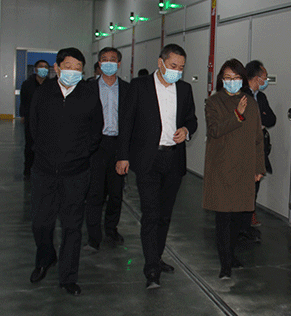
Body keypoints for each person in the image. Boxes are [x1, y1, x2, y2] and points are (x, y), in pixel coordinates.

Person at [116, 44, 198, 289]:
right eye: (173, 66)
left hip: (173, 159)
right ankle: (151, 269)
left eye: (181, 67)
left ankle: (157, 256)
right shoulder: (139, 86)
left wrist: (186, 130)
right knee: (151, 214)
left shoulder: (184, 89)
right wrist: (122, 156)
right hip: (147, 159)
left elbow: (192, 119)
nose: (177, 71)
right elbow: (126, 122)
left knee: (164, 215)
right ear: (160, 63)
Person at [28, 47, 103, 295]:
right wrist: (44, 153)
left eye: (78, 68)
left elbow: (96, 130)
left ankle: (68, 276)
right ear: (57, 68)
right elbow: (33, 127)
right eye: (68, 66)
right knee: (41, 222)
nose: (72, 71)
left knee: (72, 226)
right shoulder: (43, 93)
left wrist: (81, 154)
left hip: (76, 172)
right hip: (44, 170)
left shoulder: (89, 94)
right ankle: (45, 257)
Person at [203, 59, 265, 279]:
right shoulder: (213, 102)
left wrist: (259, 167)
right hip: (221, 168)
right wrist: (237, 115)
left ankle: (230, 255)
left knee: (239, 218)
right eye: (228, 77)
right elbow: (215, 130)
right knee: (223, 219)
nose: (232, 81)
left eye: (236, 77)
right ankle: (225, 264)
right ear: (221, 79)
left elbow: (258, 138)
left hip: (244, 168)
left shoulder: (252, 103)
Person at [84, 47, 129, 252]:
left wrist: (126, 152)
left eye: (113, 59)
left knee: (116, 193)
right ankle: (94, 237)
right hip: (96, 146)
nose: (108, 62)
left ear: (118, 63)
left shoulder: (128, 89)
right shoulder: (88, 88)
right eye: (104, 59)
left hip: (118, 145)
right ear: (99, 63)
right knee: (94, 193)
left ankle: (111, 228)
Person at [241, 60, 276, 239]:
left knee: (254, 186)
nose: (266, 81)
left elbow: (271, 119)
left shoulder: (260, 97)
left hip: (258, 148)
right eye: (265, 77)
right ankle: (240, 225)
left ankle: (247, 222)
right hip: (242, 149)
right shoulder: (241, 94)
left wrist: (258, 119)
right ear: (256, 78)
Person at [19, 60, 49, 178]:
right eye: (41, 66)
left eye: (46, 67)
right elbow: (23, 101)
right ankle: (28, 170)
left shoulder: (51, 84)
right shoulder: (27, 84)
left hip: (46, 120)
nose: (43, 69)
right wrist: (23, 115)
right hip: (30, 119)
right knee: (30, 146)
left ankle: (43, 170)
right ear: (36, 69)